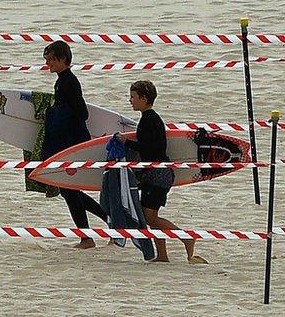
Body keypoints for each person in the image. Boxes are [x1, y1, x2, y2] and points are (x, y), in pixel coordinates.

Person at [123, 80, 207, 264]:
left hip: (158, 175)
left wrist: (125, 142)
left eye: (133, 97)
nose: (130, 100)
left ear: (143, 99)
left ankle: (186, 238)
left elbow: (149, 150)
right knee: (150, 217)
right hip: (156, 173)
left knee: (150, 216)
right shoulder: (149, 118)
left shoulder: (148, 120)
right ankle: (162, 255)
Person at [42, 41, 108, 248]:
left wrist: (56, 113)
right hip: (68, 142)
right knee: (69, 190)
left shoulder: (69, 82)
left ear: (63, 59)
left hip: (73, 143)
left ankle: (88, 237)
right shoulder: (62, 81)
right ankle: (108, 223)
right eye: (46, 60)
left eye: (51, 59)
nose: (48, 63)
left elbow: (82, 113)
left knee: (69, 190)